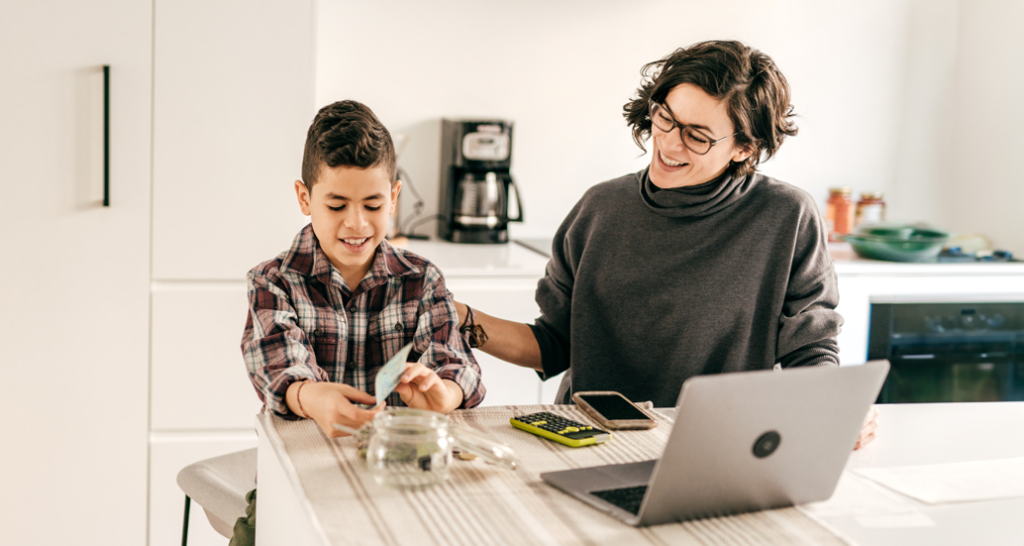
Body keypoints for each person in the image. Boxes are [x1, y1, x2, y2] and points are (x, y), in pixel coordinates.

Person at [453, 40, 878, 450]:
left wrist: (837, 407)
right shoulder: (600, 208)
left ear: (743, 147)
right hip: (589, 439)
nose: (670, 143)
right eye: (665, 118)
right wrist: (461, 318)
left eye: (697, 136)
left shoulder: (785, 216)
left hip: (716, 443)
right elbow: (553, 345)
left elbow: (810, 348)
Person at [233, 100, 485, 545]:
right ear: (304, 198)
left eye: (372, 204)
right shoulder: (273, 282)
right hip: (298, 477)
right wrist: (312, 398)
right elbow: (278, 366)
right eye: (336, 205)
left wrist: (441, 395)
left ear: (393, 197)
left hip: (400, 472)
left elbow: (455, 364)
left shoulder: (422, 279)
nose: (356, 223)